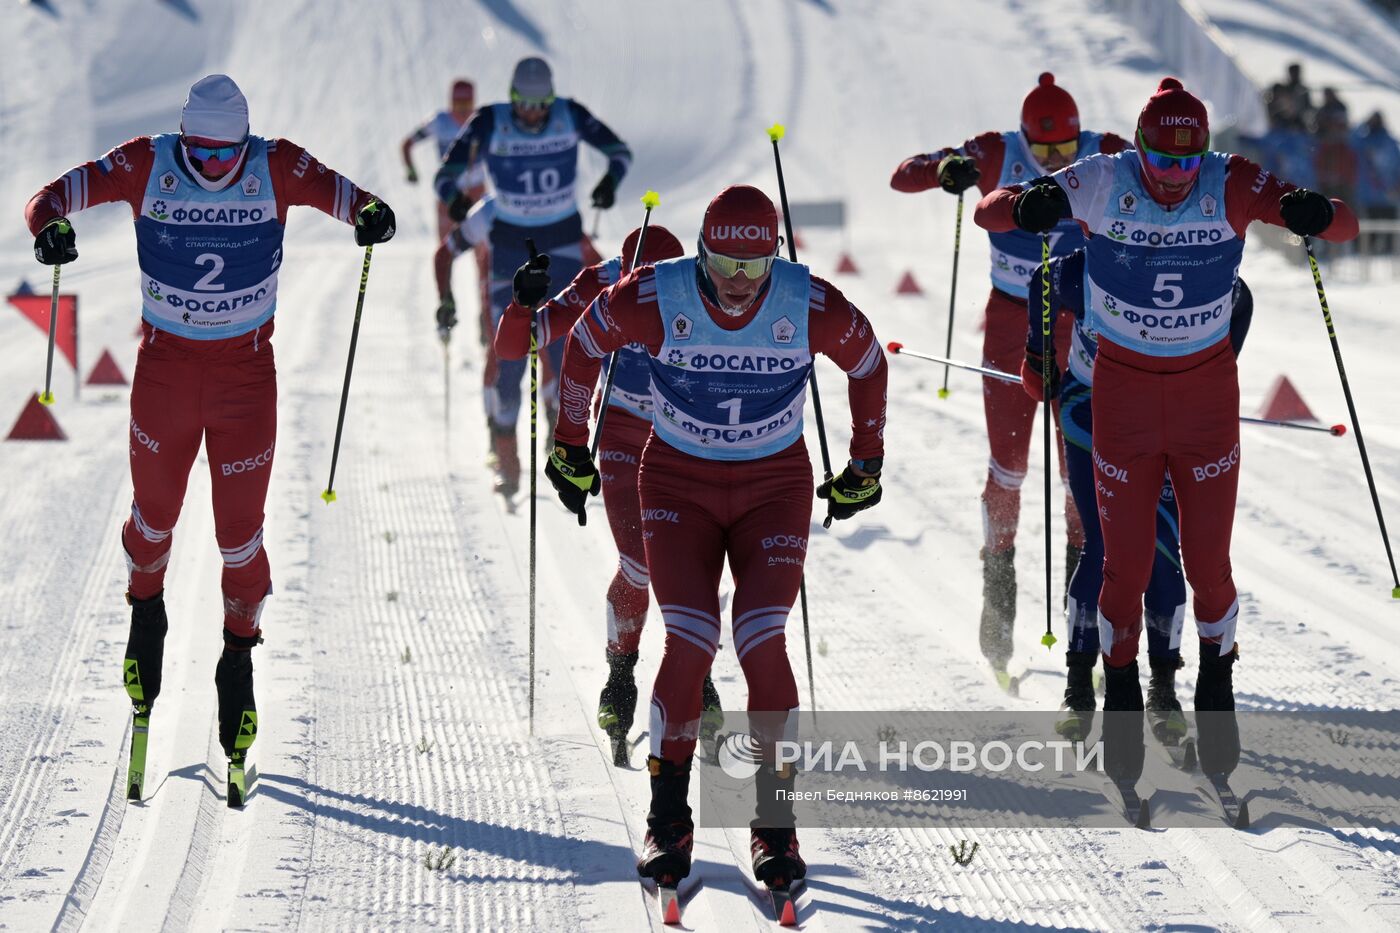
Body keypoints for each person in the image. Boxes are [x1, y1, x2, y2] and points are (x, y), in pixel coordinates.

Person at [24, 74, 395, 793]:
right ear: (185, 138)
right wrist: (51, 229)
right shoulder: (145, 162)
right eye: (204, 155)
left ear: (245, 143)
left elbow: (354, 199)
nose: (216, 169)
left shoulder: (277, 164)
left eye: (228, 158)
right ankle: (144, 615)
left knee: (240, 537)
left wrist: (372, 215)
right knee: (154, 519)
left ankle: (238, 657)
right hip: (164, 374)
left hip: (243, 381)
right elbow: (49, 197)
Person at [978, 76, 1357, 779]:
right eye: (1163, 159)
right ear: (1142, 146)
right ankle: (1116, 690)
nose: (1177, 177)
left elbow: (1343, 224)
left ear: (1206, 153)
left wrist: (1311, 210)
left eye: (1191, 161)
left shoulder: (1230, 180)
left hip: (1203, 404)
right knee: (1119, 565)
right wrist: (1027, 201)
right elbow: (994, 214)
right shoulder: (1102, 177)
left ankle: (1213, 686)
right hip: (1115, 399)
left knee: (1206, 565)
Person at [543, 186, 887, 887]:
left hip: (773, 490)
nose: (738, 282)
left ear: (776, 258)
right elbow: (581, 343)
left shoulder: (807, 300)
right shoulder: (654, 293)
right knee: (692, 637)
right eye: (725, 262)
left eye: (756, 266)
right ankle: (667, 820)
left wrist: (866, 463)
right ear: (701, 252)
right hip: (676, 484)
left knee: (761, 634)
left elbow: (870, 363)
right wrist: (569, 443)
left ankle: (776, 827)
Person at [890, 72, 1129, 688]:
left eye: (1064, 151)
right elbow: (906, 172)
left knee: (1081, 466)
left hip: (1082, 320)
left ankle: (1088, 597)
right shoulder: (997, 150)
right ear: (1025, 137)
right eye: (1042, 152)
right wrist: (947, 172)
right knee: (1009, 464)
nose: (1053, 165)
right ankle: (998, 587)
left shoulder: (1107, 150)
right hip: (1011, 319)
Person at [492, 224, 724, 761]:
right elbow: (514, 345)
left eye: (654, 284)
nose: (641, 296)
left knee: (693, 561)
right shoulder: (601, 285)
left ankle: (699, 673)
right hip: (620, 433)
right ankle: (621, 677)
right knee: (641, 563)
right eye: (631, 280)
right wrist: (522, 302)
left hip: (683, 439)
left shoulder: (703, 289)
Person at [1024, 249, 1254, 745]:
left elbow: (1240, 301)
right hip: (1092, 410)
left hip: (1173, 417)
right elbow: (1044, 280)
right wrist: (1037, 357)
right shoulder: (1085, 266)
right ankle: (1079, 684)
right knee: (1107, 548)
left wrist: (1214, 369)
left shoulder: (1191, 261)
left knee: (1165, 550)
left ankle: (1164, 689)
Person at [434, 56, 631, 497]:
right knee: (509, 359)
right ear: (512, 98)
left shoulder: (569, 113)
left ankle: (562, 450)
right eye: (525, 104)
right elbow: (445, 174)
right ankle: (505, 453)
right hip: (509, 250)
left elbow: (620, 152)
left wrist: (611, 182)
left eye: (542, 105)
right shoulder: (491, 121)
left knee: (564, 354)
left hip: (562, 245)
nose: (534, 115)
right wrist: (455, 200)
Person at [404, 79, 492, 347]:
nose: (463, 110)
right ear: (450, 101)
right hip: (448, 196)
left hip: (476, 193)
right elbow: (407, 143)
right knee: (447, 252)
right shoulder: (439, 122)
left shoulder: (479, 122)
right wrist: (411, 169)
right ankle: (446, 304)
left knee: (484, 258)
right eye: (458, 104)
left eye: (467, 104)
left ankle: (485, 314)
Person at [1352, 111, 1400, 253]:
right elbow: (1350, 138)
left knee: (1389, 239)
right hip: (1367, 197)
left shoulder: (1389, 142)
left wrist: (1397, 187)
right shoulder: (1363, 141)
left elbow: (1397, 166)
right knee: (1366, 239)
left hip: (1387, 197)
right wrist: (1363, 124)